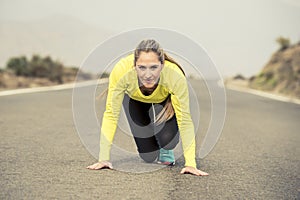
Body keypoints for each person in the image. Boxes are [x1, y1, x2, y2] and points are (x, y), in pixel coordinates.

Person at [87, 39, 208, 176]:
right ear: (134, 66)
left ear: (162, 65)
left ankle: (165, 148)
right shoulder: (121, 70)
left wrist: (190, 164)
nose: (148, 74)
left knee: (167, 141)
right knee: (148, 156)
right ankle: (151, 135)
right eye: (142, 67)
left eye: (154, 67)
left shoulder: (174, 75)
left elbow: (185, 120)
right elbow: (111, 115)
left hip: (162, 101)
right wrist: (103, 159)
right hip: (135, 100)